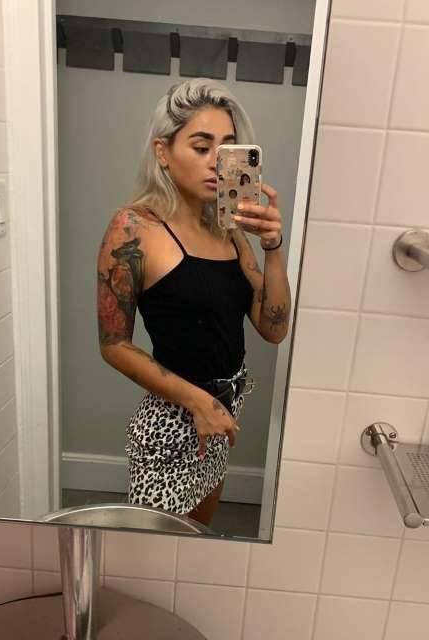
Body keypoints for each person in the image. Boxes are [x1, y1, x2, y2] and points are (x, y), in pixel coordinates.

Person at [96, 78, 291, 526]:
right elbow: (113, 345)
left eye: (226, 149)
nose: (216, 162)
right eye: (201, 147)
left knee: (198, 540)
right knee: (155, 548)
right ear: (163, 152)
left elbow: (274, 328)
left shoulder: (230, 230)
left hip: (223, 415)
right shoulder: (133, 228)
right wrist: (198, 402)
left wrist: (273, 246)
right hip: (171, 422)